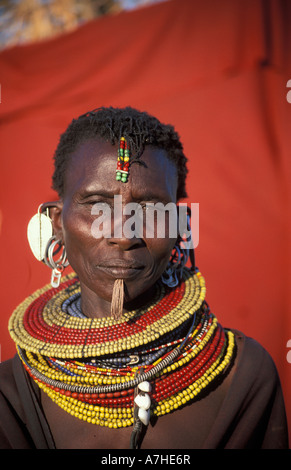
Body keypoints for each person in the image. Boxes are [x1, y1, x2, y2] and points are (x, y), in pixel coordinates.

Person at [0, 106, 288, 449]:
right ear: (56, 224)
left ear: (181, 226)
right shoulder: (12, 394)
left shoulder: (241, 375)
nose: (123, 234)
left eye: (150, 208)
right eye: (95, 203)